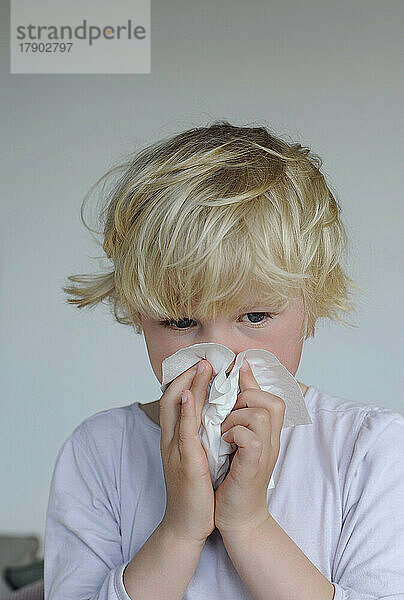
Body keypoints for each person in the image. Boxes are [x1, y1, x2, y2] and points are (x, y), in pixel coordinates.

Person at [44, 121, 404, 600]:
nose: (220, 359)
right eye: (178, 321)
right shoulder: (100, 452)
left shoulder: (368, 450)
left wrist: (249, 524)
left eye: (254, 316)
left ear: (311, 303)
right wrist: (178, 532)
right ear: (138, 316)